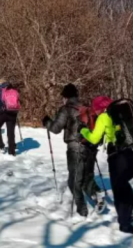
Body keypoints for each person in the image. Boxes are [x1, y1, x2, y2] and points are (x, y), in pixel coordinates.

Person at [81, 96, 133, 233]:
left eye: (95, 110)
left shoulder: (104, 116)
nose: (95, 113)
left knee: (118, 188)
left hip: (118, 156)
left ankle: (125, 226)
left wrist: (82, 130)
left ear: (98, 109)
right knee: (122, 182)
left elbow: (94, 138)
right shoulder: (122, 114)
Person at [43, 84, 104, 217]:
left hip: (75, 149)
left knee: (74, 181)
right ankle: (96, 193)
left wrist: (46, 121)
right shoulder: (87, 107)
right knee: (87, 177)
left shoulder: (66, 109)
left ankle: (82, 212)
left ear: (65, 97)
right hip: (91, 148)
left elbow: (55, 128)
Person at [0, 79, 20, 156]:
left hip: (1, 112)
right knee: (11, 132)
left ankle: (1, 146)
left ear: (0, 83)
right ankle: (12, 152)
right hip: (13, 112)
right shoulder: (13, 89)